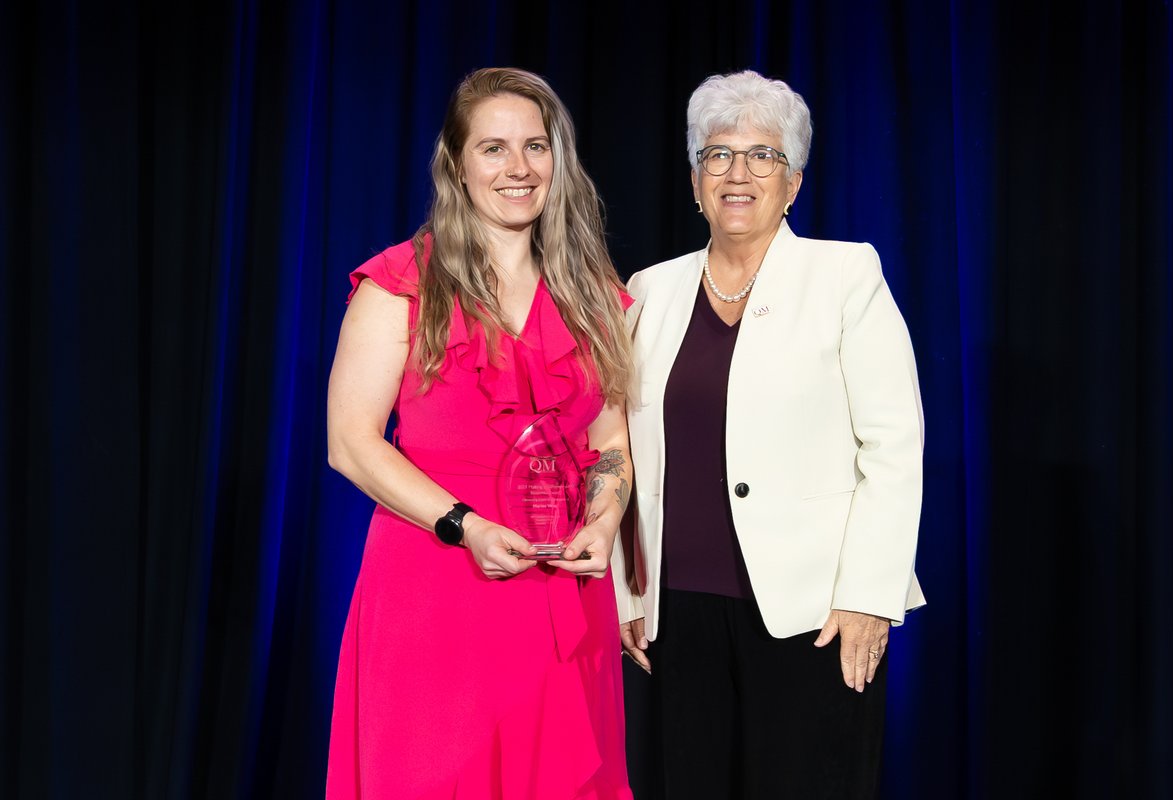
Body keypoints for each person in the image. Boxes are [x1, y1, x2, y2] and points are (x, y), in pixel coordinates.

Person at [612, 70, 925, 798]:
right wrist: (630, 595)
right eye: (717, 155)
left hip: (814, 617)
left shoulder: (845, 274)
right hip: (675, 619)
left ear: (795, 182)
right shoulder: (649, 290)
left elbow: (894, 445)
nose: (738, 173)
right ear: (695, 182)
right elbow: (623, 450)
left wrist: (868, 596)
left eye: (764, 156)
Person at [326, 67, 635, 799]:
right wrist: (464, 527)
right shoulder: (400, 282)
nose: (519, 168)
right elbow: (350, 443)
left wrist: (607, 516)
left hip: (563, 589)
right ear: (458, 166)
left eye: (536, 146)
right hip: (439, 581)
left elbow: (612, 439)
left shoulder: (594, 294)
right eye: (493, 148)